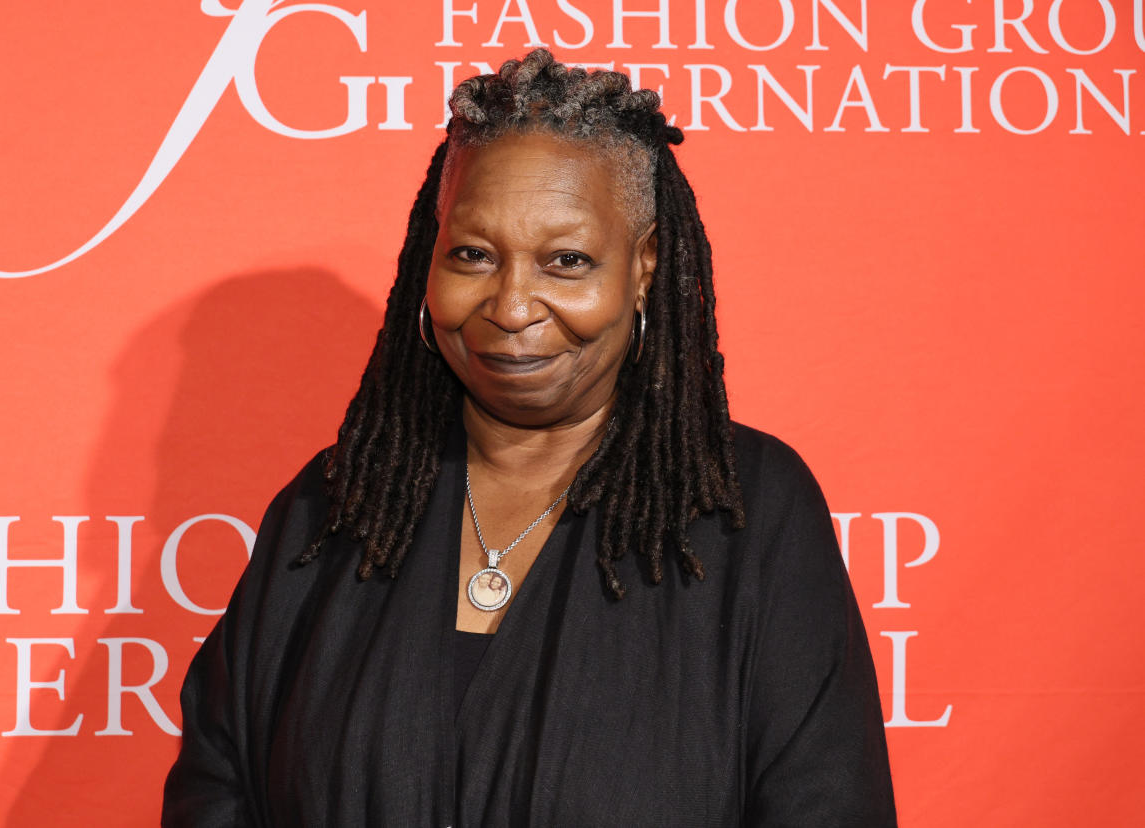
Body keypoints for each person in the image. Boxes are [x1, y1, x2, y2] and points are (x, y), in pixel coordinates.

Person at [162, 49, 896, 826]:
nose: (512, 306)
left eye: (567, 261)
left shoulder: (747, 512)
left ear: (643, 267)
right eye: (472, 256)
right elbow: (219, 785)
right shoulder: (337, 506)